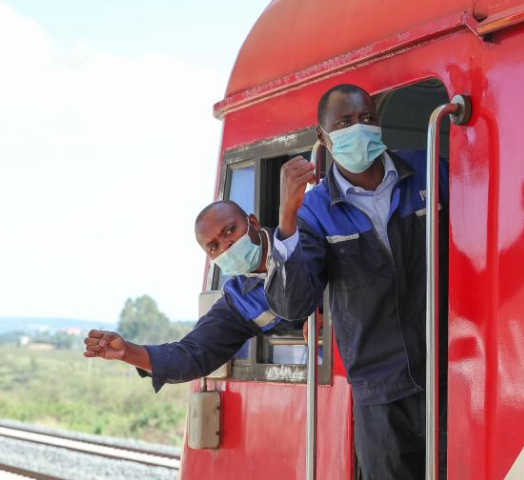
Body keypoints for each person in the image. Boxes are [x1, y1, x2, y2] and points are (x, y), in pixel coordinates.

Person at [264, 84, 448, 480]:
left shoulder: (429, 170)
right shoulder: (313, 212)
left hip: (448, 377)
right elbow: (292, 306)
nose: (359, 128)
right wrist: (287, 217)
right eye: (345, 122)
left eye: (366, 118)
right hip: (380, 393)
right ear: (323, 137)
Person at [82, 200, 306, 390]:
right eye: (214, 247)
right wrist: (127, 352)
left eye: (230, 231)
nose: (227, 246)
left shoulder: (302, 238)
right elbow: (190, 356)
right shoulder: (239, 301)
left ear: (253, 223)